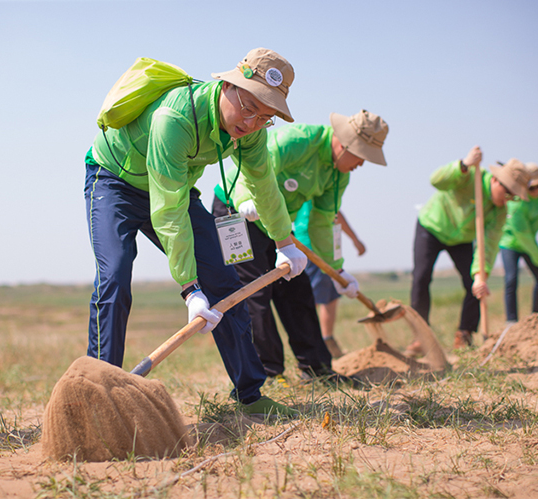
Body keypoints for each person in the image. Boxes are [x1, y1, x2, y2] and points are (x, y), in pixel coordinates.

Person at [84, 48, 307, 417]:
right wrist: (189, 288)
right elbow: (168, 211)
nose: (253, 123)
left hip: (175, 188)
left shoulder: (249, 131)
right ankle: (100, 393)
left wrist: (284, 241)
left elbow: (264, 182)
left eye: (266, 117)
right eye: (249, 108)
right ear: (227, 87)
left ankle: (250, 395)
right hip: (114, 183)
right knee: (115, 276)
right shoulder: (176, 117)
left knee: (225, 282)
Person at [212, 110, 388, 385]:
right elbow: (250, 166)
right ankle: (269, 373)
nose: (362, 165)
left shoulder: (339, 175)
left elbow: (321, 222)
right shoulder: (297, 141)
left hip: (276, 222)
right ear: (345, 145)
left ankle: (317, 370)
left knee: (296, 289)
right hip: (236, 211)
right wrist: (245, 197)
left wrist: (338, 271)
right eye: (362, 157)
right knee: (255, 291)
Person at [408, 147, 529, 351]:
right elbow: (436, 180)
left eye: (513, 197)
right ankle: (421, 336)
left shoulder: (499, 212)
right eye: (508, 193)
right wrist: (462, 166)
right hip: (433, 227)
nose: (508, 199)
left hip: (462, 239)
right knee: (421, 278)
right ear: (496, 181)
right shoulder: (471, 175)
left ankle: (465, 334)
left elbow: (488, 246)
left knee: (474, 284)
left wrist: (480, 276)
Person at [295, 204, 365, 359]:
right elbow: (335, 213)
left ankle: (323, 341)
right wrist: (355, 239)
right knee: (321, 298)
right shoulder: (315, 186)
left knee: (328, 296)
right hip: (314, 248)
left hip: (319, 247)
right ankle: (320, 344)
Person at [498, 162, 538, 323]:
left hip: (529, 240)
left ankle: (536, 316)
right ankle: (511, 321)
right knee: (511, 279)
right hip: (511, 243)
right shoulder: (516, 205)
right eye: (532, 188)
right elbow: (525, 238)